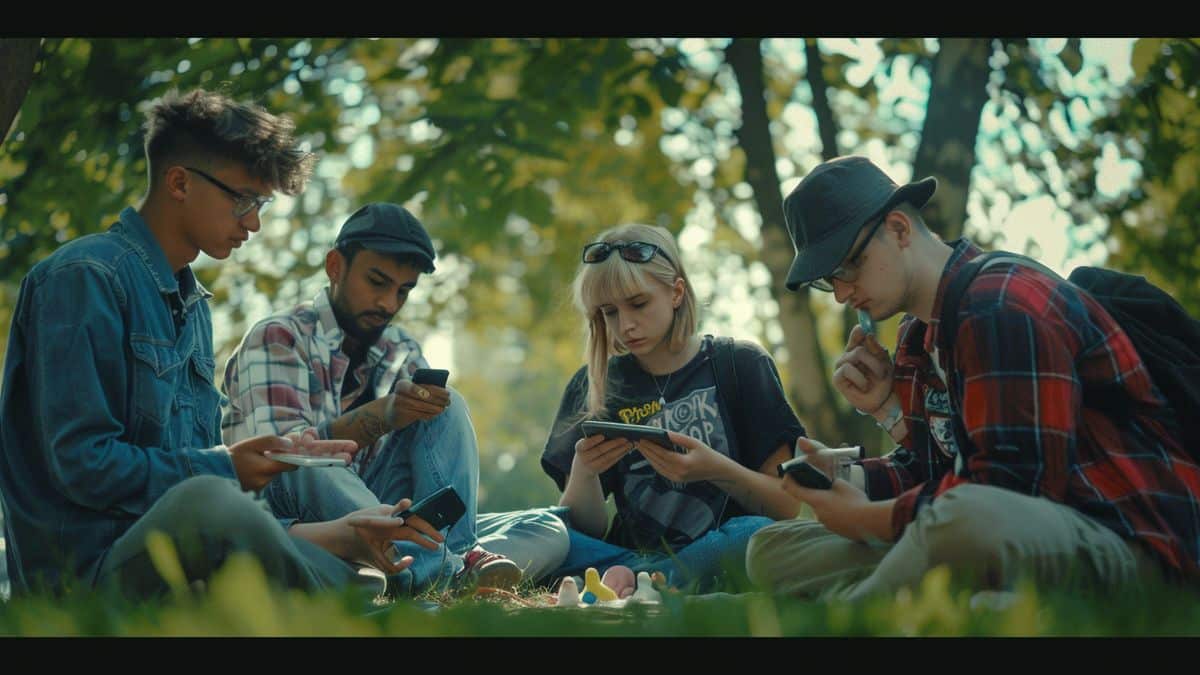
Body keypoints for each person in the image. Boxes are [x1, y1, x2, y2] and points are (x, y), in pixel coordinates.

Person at [0, 89, 441, 600]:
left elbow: (188, 476)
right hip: (88, 582)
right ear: (180, 182)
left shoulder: (192, 306)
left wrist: (293, 482)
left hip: (182, 554)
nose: (253, 222)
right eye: (243, 200)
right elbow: (83, 467)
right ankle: (342, 607)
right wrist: (226, 465)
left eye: (260, 205)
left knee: (352, 568)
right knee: (212, 499)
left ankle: (347, 586)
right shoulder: (85, 278)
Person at [745, 155, 1200, 600]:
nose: (842, 293)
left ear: (899, 229)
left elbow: (1008, 490)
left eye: (846, 267)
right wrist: (848, 472)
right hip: (1001, 533)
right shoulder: (916, 336)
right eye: (829, 281)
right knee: (771, 549)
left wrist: (867, 521)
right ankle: (931, 593)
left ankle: (853, 613)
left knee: (969, 519)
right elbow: (937, 470)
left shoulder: (1000, 302)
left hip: (1129, 541)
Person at [221, 202, 570, 594]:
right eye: (377, 282)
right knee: (312, 459)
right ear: (335, 266)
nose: (389, 304)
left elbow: (426, 471)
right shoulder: (279, 337)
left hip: (386, 518)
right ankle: (446, 572)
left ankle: (447, 560)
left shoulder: (400, 348)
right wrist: (385, 414)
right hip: (295, 523)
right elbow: (280, 462)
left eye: (403, 291)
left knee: (547, 529)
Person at [541, 223, 806, 592]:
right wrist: (583, 472)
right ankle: (647, 581)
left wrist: (715, 469)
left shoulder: (741, 363)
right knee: (547, 533)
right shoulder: (594, 385)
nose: (626, 325)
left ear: (677, 292)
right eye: (608, 312)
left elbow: (786, 506)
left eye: (638, 304)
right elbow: (585, 529)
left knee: (756, 534)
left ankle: (647, 583)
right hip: (630, 558)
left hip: (722, 548)